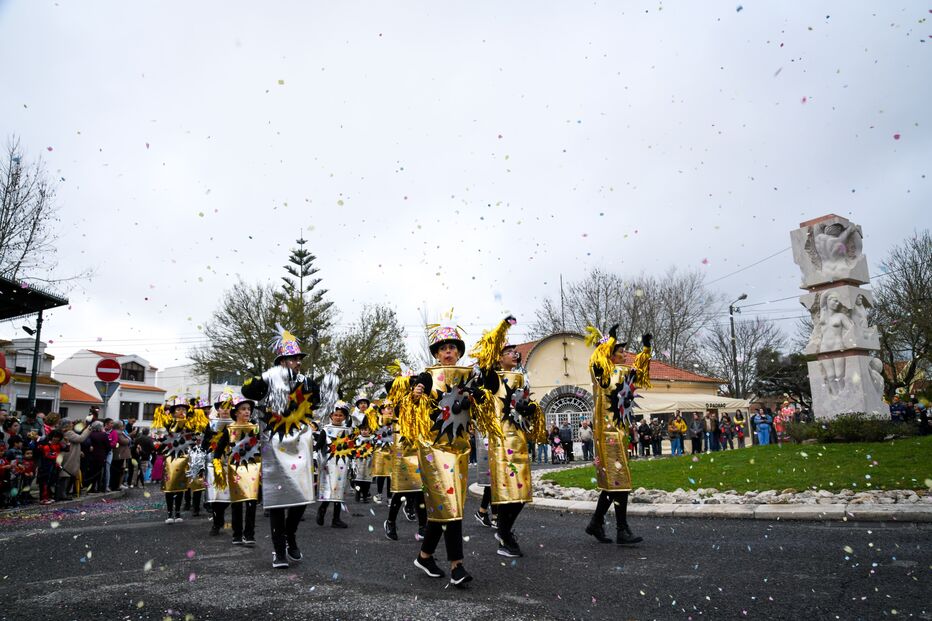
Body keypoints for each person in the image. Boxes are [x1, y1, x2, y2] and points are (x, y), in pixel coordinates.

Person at [407, 313, 512, 587]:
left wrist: (478, 395)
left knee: (446, 508)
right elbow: (411, 399)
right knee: (451, 507)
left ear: (459, 352)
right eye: (443, 348)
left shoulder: (469, 376)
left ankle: (425, 555)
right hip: (433, 449)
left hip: (461, 450)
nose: (448, 352)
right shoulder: (427, 377)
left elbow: (487, 394)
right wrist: (416, 392)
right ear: (437, 353)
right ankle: (457, 567)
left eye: (452, 347)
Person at [241, 324, 320, 569]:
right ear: (280, 361)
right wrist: (266, 378)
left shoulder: (308, 382)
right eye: (290, 358)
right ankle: (279, 551)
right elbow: (248, 390)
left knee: (302, 496)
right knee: (277, 499)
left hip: (300, 443)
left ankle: (290, 535)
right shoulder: (268, 380)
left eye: (297, 358)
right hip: (274, 444)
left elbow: (315, 403)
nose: (295, 362)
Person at [584, 326, 649, 546]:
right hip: (607, 433)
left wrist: (646, 350)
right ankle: (621, 529)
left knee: (614, 483)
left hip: (620, 432)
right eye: (619, 350)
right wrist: (608, 341)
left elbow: (639, 372)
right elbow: (596, 362)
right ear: (610, 352)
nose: (624, 354)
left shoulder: (623, 372)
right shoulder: (603, 374)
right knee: (620, 481)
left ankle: (596, 522)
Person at [486, 341, 546, 558]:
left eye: (514, 352)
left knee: (522, 493)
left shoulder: (521, 378)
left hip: (519, 439)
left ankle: (503, 531)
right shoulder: (492, 379)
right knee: (507, 492)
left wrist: (530, 408)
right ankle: (504, 535)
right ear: (499, 357)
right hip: (501, 439)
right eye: (508, 352)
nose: (514, 354)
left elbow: (526, 404)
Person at [209, 395, 261, 546]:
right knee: (237, 504)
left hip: (253, 469)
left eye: (249, 409)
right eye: (243, 409)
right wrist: (218, 470)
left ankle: (249, 535)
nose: (247, 412)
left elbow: (263, 449)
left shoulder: (256, 429)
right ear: (236, 412)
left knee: (251, 502)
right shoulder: (229, 430)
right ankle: (237, 535)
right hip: (235, 470)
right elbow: (217, 452)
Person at [383, 378, 427, 542]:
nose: (411, 389)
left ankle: (423, 526)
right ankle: (390, 522)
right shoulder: (395, 404)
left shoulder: (420, 401)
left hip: (419, 446)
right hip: (402, 448)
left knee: (420, 489)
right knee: (402, 489)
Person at [315, 402, 352, 528]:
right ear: (331, 416)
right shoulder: (326, 430)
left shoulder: (348, 431)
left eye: (340, 415)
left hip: (343, 464)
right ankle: (322, 509)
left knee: (339, 491)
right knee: (329, 489)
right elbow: (318, 446)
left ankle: (336, 519)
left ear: (345, 417)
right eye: (335, 415)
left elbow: (352, 447)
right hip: (329, 464)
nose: (338, 417)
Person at [60, 416, 93, 497]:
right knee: (67, 475)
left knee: (69, 475)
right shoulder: (68, 433)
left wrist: (79, 451)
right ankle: (63, 494)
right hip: (70, 456)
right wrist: (88, 430)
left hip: (71, 454)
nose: (72, 424)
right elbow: (80, 439)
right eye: (71, 423)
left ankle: (66, 493)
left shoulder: (66, 432)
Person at [370, 400, 394, 504]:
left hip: (392, 450)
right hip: (380, 449)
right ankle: (379, 494)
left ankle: (389, 496)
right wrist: (372, 409)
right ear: (382, 410)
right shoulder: (376, 421)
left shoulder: (396, 421)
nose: (390, 411)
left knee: (390, 474)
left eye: (392, 408)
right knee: (381, 473)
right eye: (388, 408)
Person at [85, 420, 111, 493]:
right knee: (98, 473)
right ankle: (97, 487)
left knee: (91, 472)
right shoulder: (103, 435)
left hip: (91, 455)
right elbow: (108, 447)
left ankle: (90, 487)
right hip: (100, 455)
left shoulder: (90, 434)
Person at [109, 421, 131, 491]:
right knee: (117, 470)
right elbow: (124, 441)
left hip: (119, 453)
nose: (123, 427)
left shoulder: (117, 432)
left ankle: (115, 485)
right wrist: (129, 439)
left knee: (118, 470)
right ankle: (115, 486)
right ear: (119, 426)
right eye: (122, 426)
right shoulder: (118, 433)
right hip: (119, 454)